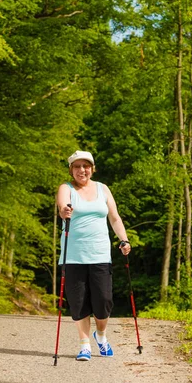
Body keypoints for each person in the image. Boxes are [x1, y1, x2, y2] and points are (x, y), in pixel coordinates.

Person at [57, 150, 131, 361]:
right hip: (73, 256)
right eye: (77, 166)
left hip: (99, 254)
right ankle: (84, 345)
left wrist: (124, 240)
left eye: (86, 166)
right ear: (71, 170)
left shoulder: (103, 189)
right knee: (79, 302)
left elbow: (115, 218)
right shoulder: (66, 188)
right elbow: (62, 207)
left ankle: (101, 336)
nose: (82, 170)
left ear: (92, 168)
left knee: (104, 301)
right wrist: (65, 211)